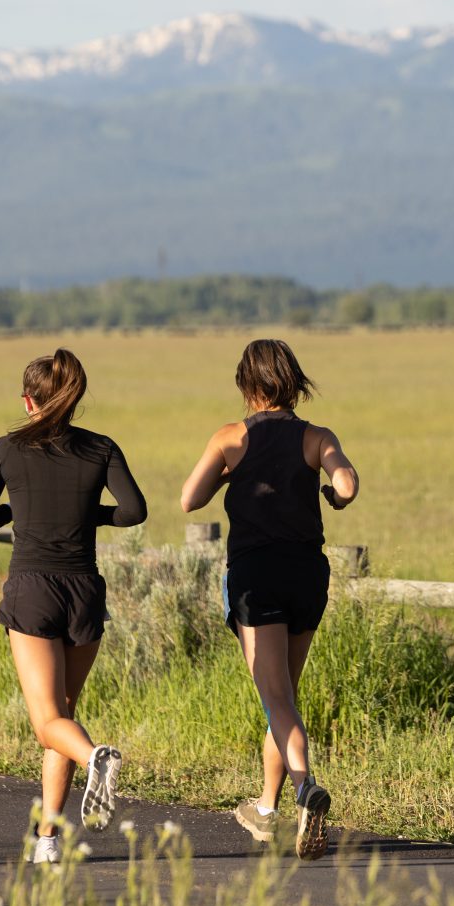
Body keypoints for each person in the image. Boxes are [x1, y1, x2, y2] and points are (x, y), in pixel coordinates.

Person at [0, 347, 146, 865]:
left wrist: (21, 507)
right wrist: (90, 514)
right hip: (84, 592)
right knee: (63, 714)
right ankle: (47, 840)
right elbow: (134, 511)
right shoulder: (101, 448)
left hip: (33, 590)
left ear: (28, 401)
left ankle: (96, 758)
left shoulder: (6, 449)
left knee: (47, 723)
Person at [180, 339, 359, 861]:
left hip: (257, 575)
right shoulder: (316, 436)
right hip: (307, 574)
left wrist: (229, 474)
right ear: (293, 381)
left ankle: (306, 788)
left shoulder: (231, 437)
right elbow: (345, 482)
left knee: (275, 697)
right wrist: (333, 494)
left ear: (247, 383)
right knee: (284, 697)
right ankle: (265, 806)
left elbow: (189, 498)